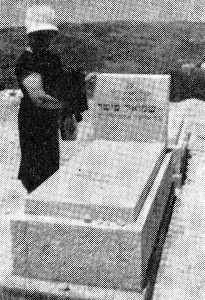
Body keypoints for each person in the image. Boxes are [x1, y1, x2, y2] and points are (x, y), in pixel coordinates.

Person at [15, 5, 69, 193]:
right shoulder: (27, 61)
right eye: (40, 34)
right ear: (30, 35)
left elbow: (59, 87)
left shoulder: (52, 59)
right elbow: (40, 98)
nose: (44, 39)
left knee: (51, 167)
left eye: (48, 34)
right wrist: (67, 106)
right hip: (33, 121)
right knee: (35, 169)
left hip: (50, 120)